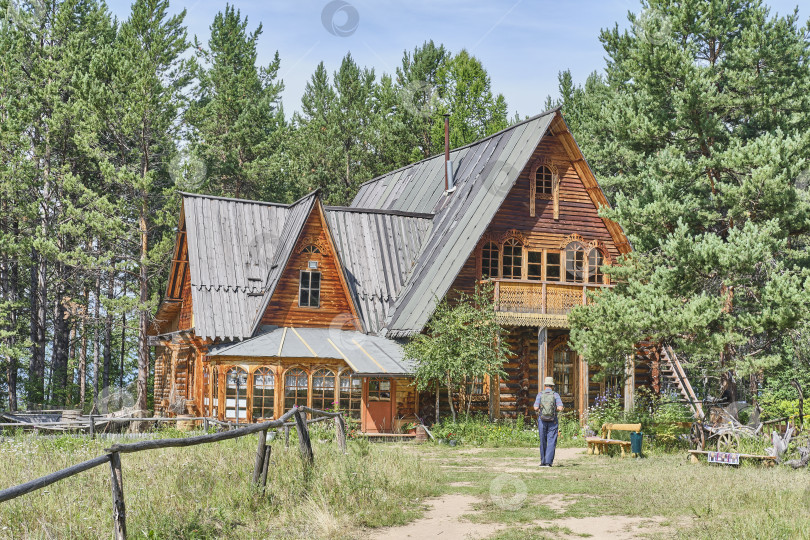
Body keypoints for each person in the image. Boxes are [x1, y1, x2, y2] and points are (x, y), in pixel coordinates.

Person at [533, 376, 563, 467]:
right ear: (552, 386)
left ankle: (542, 462)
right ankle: (548, 463)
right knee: (551, 440)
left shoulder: (540, 394)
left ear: (545, 385)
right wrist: (554, 410)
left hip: (542, 420)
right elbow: (560, 408)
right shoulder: (555, 395)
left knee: (543, 440)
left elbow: (535, 407)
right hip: (553, 420)